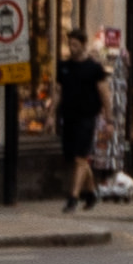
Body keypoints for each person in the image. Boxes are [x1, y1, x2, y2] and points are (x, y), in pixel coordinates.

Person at [52, 30, 110, 213]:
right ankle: (92, 193)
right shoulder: (63, 66)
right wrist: (51, 114)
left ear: (84, 45)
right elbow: (58, 91)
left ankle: (73, 198)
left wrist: (109, 119)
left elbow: (104, 93)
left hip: (87, 117)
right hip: (68, 117)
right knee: (76, 160)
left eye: (75, 44)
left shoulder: (94, 68)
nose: (72, 48)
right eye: (70, 44)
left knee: (80, 158)